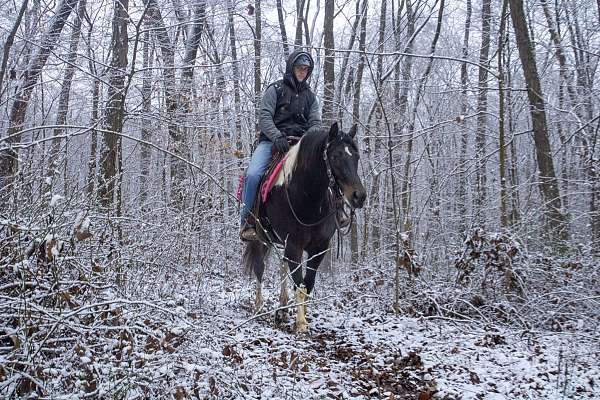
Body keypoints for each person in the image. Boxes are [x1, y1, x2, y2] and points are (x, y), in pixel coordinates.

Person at [240, 49, 322, 241]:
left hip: (300, 145)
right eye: (299, 68)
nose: (302, 72)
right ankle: (247, 221)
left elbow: (316, 123)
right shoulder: (275, 89)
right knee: (252, 175)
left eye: (306, 69)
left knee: (324, 171)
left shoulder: (310, 97)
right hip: (272, 142)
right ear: (291, 68)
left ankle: (326, 220)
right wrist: (277, 136)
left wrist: (307, 140)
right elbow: (265, 117)